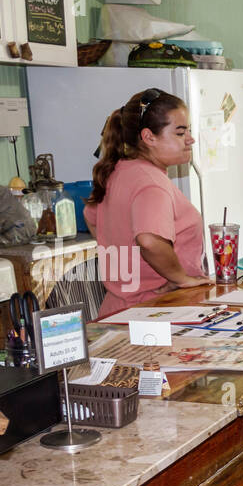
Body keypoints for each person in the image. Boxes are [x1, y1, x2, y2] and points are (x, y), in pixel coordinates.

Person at [85, 88, 213, 318]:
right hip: (154, 311)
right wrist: (180, 278)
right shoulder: (151, 184)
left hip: (119, 310)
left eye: (189, 131)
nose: (191, 139)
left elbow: (91, 217)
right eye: (180, 133)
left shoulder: (120, 171)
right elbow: (150, 240)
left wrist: (129, 262)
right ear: (148, 137)